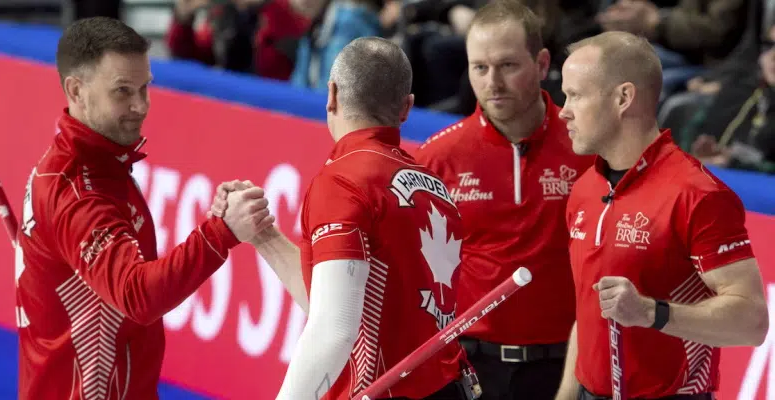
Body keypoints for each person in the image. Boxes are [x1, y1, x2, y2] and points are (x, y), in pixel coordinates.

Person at [15, 17, 274, 399]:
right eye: (122, 91)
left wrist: (218, 222)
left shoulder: (99, 165)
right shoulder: (79, 194)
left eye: (144, 88)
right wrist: (222, 233)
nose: (140, 106)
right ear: (76, 90)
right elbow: (138, 295)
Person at [212, 37, 477, 399]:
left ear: (331, 94)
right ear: (406, 108)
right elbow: (342, 302)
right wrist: (264, 235)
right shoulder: (433, 185)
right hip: (446, 387)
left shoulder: (342, 180)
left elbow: (334, 330)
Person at [554, 31, 769, 400]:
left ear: (623, 98)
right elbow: (589, 314)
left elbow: (752, 322)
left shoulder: (697, 194)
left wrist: (652, 313)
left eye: (576, 95)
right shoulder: (586, 188)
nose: (563, 110)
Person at [412, 2, 593, 399]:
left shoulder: (589, 151)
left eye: (508, 66)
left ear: (542, 64)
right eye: (480, 67)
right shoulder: (437, 158)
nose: (492, 82)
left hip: (566, 368)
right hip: (470, 367)